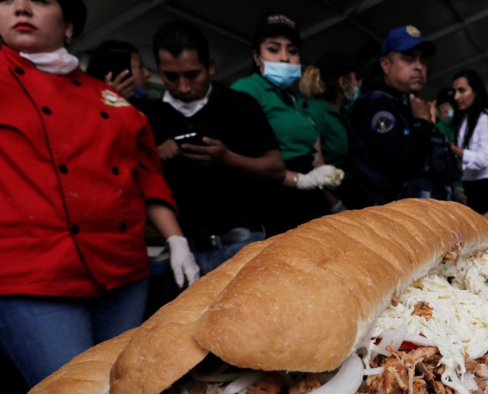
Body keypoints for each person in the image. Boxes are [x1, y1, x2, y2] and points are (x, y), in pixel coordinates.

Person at [0, 0, 198, 387]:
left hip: (122, 270)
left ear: (69, 25)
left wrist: (176, 240)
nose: (21, 6)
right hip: (29, 277)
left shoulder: (111, 98)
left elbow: (147, 178)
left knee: (125, 390)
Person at [143, 20, 286, 275]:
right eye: (171, 77)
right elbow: (140, 180)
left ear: (209, 65)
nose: (183, 87)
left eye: (192, 74)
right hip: (183, 251)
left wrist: (229, 158)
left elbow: (275, 168)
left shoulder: (240, 105)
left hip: (243, 243)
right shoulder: (149, 116)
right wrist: (155, 153)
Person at [231, 13, 343, 235]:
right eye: (273, 49)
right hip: (272, 200)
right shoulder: (246, 91)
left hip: (308, 199)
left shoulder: (295, 99)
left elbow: (312, 152)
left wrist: (333, 201)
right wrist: (299, 180)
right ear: (256, 56)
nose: (284, 57)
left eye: (292, 51)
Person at [348, 25, 458, 203]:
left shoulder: (403, 103)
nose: (419, 67)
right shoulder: (375, 107)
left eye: (423, 61)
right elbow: (396, 168)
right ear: (385, 64)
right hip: (393, 220)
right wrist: (422, 123)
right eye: (409, 59)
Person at [299, 49, 369, 210]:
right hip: (329, 200)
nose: (358, 84)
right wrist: (335, 206)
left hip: (351, 191)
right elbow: (315, 167)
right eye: (355, 78)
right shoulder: (315, 111)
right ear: (343, 83)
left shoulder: (344, 112)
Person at [449, 69, 488, 214]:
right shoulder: (465, 121)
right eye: (454, 91)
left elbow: (484, 160)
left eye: (462, 90)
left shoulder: (486, 119)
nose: (456, 97)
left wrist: (454, 149)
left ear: (475, 91)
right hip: (472, 186)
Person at [86, 40, 152, 109]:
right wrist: (112, 101)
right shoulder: (88, 103)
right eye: (140, 67)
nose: (147, 74)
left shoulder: (151, 109)